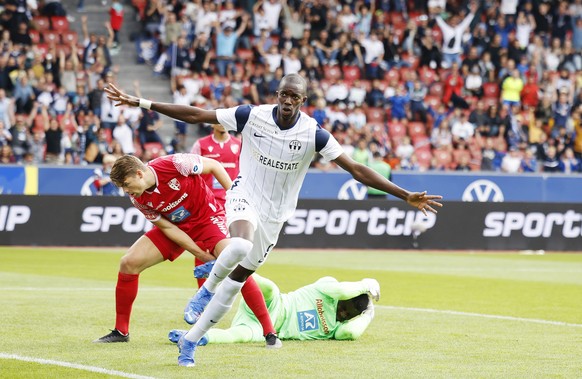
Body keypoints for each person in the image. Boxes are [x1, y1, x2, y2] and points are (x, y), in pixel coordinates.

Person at [104, 74, 443, 367]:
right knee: (238, 244)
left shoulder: (315, 135)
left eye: (294, 96)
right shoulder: (251, 116)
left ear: (303, 100)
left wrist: (404, 194)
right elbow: (196, 115)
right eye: (283, 94)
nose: (288, 100)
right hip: (243, 196)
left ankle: (191, 340)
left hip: (275, 215)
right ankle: (205, 291)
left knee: (237, 279)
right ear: (277, 95)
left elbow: (356, 169)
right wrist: (141, 102)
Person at [93, 154, 278, 347]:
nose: (126, 191)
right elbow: (168, 228)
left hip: (208, 220)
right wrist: (199, 252)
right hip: (176, 227)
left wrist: (237, 200)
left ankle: (269, 331)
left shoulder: (175, 164)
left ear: (139, 174)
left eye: (126, 184)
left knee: (234, 264)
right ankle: (121, 331)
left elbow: (214, 165)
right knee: (128, 263)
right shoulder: (137, 198)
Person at [168, 272, 380, 345]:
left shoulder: (338, 329)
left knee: (238, 336)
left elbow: (351, 332)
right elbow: (342, 291)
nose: (342, 314)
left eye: (348, 315)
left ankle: (191, 337)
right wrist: (365, 285)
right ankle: (226, 267)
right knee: (270, 288)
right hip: (273, 304)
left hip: (266, 331)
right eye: (345, 308)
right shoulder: (328, 287)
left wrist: (368, 315)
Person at [190, 123, 241, 288]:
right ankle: (202, 291)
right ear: (212, 124)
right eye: (219, 121)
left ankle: (225, 287)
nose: (223, 125)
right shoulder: (201, 144)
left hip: (230, 204)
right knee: (201, 246)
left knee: (230, 247)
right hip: (206, 203)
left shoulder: (238, 145)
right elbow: (191, 170)